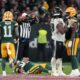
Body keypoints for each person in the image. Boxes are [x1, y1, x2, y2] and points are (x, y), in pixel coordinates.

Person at [0, 11, 19, 76]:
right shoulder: (14, 23)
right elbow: (16, 34)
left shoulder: (1, 23)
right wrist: (16, 39)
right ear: (11, 16)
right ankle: (12, 61)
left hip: (3, 43)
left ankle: (4, 72)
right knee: (14, 58)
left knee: (3, 58)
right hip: (10, 43)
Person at [50, 7, 66, 76]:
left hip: (60, 39)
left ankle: (60, 71)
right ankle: (54, 71)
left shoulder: (54, 19)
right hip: (56, 40)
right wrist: (68, 26)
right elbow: (62, 31)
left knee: (60, 57)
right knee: (54, 56)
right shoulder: (57, 20)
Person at [65, 7, 80, 76]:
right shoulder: (72, 19)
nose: (67, 14)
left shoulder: (73, 19)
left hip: (74, 38)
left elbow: (74, 30)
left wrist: (71, 40)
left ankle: (76, 70)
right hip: (73, 38)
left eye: (68, 13)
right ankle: (74, 70)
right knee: (72, 54)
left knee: (73, 54)